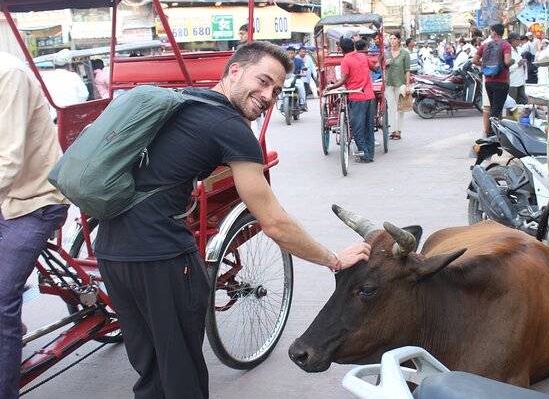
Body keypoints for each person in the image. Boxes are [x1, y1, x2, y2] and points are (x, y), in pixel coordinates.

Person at [93, 42, 371, 398]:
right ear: (235, 71)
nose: (268, 95)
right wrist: (332, 259)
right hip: (160, 258)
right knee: (183, 378)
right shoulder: (230, 128)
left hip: (112, 254)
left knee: (150, 374)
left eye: (277, 90)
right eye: (263, 81)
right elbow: (273, 222)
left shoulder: (184, 99)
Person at [0, 52, 70, 399]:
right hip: (4, 200)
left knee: (0, 301)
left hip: (33, 202)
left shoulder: (8, 74)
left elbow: (8, 160)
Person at [326, 38, 380, 163]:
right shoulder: (362, 56)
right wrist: (380, 60)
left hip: (356, 97)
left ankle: (364, 155)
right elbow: (376, 69)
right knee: (368, 127)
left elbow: (343, 80)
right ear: (353, 46)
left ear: (341, 49)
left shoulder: (346, 60)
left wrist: (331, 87)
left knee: (357, 129)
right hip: (369, 96)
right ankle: (369, 154)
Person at [473, 23, 513, 135]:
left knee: (494, 108)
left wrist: (485, 64)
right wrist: (512, 62)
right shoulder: (506, 45)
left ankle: (495, 132)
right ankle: (491, 133)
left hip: (489, 81)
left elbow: (474, 60)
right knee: (496, 109)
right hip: (501, 81)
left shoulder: (485, 45)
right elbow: (507, 61)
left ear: (493, 32)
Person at [41, 48, 89, 121]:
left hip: (53, 118)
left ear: (54, 65)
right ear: (69, 65)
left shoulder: (46, 77)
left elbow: (43, 96)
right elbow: (84, 94)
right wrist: (75, 104)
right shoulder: (74, 76)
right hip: (72, 116)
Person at [384, 32, 411, 140]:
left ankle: (398, 131)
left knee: (400, 109)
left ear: (399, 40)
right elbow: (380, 67)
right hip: (388, 84)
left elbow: (407, 70)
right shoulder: (386, 53)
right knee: (390, 108)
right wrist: (385, 63)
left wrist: (408, 85)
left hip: (400, 83)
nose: (392, 41)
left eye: (395, 38)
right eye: (391, 39)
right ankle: (392, 130)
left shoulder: (404, 53)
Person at [507, 32, 528, 105]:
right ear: (512, 40)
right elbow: (507, 69)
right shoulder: (508, 51)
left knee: (523, 102)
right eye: (518, 40)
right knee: (512, 103)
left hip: (521, 81)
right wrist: (517, 65)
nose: (519, 41)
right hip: (513, 82)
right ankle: (510, 116)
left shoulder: (519, 49)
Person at [286, 46, 307, 111]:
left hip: (296, 79)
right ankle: (281, 103)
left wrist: (304, 73)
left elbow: (303, 69)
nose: (290, 55)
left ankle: (302, 103)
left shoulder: (299, 61)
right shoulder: (283, 61)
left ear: (295, 53)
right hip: (285, 80)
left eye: (291, 53)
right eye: (288, 53)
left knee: (301, 85)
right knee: (279, 87)